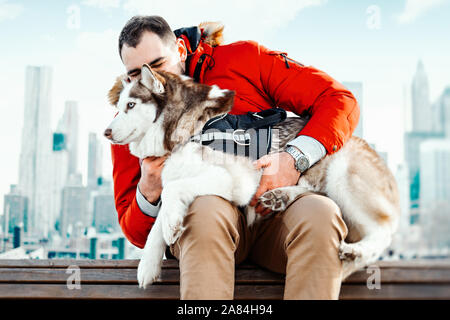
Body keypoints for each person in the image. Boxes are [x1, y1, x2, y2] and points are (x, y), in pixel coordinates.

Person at [111, 15, 359, 299]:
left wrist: (294, 160)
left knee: (321, 214)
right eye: (134, 74)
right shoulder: (128, 122)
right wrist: (149, 188)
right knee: (204, 212)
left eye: (157, 65)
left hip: (274, 214)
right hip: (205, 227)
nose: (150, 80)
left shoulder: (245, 60)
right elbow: (137, 234)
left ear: (180, 49)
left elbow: (338, 100)